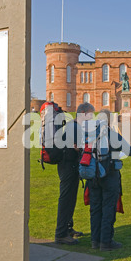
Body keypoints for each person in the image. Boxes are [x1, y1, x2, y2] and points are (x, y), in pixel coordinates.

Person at [85, 109, 131, 251]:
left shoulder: (89, 135)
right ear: (108, 121)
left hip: (93, 177)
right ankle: (106, 242)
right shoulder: (111, 134)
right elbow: (129, 150)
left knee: (95, 209)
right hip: (109, 176)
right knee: (108, 208)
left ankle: (95, 241)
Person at [55, 102, 95, 245]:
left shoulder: (74, 125)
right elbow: (78, 148)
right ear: (83, 113)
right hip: (68, 166)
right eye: (90, 114)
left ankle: (67, 229)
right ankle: (60, 234)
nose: (91, 118)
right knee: (66, 199)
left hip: (70, 165)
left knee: (70, 199)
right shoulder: (74, 127)